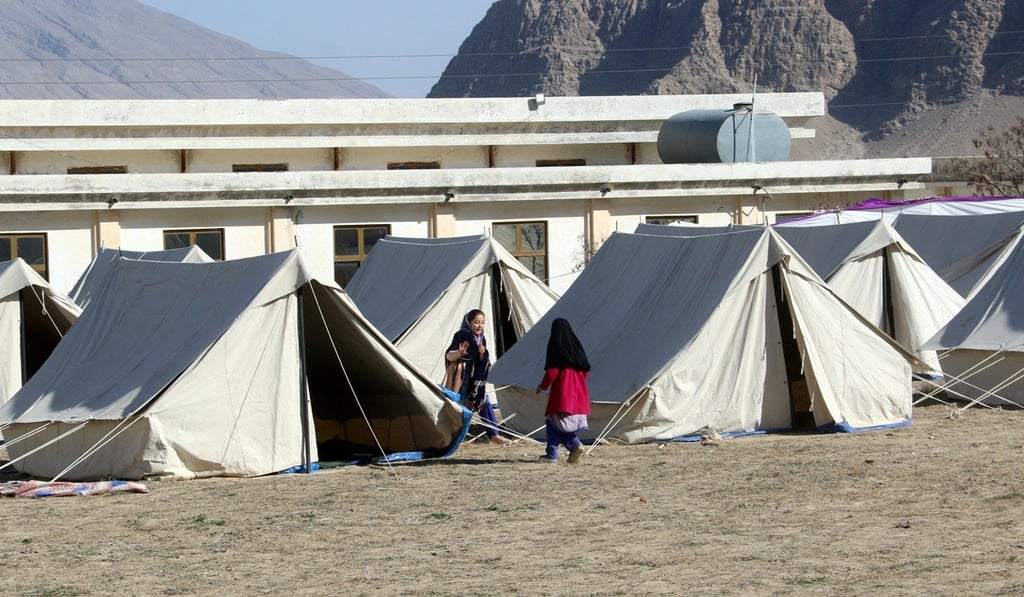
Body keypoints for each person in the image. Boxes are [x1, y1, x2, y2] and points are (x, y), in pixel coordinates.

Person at [442, 309, 508, 444]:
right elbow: (449, 355)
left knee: (484, 402)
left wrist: (483, 354)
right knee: (458, 407)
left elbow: (481, 360)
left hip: (476, 380)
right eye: (476, 322)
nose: (480, 326)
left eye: (483, 323)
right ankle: (448, 436)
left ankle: (494, 434)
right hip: (461, 379)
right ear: (469, 322)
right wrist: (459, 353)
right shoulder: (461, 336)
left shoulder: (481, 339)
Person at [535, 317, 591, 463]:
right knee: (561, 425)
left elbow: (552, 372)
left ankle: (556, 453)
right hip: (579, 396)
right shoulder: (577, 352)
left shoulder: (556, 349)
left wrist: (542, 386)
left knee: (553, 423)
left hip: (563, 396)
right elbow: (586, 372)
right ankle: (573, 446)